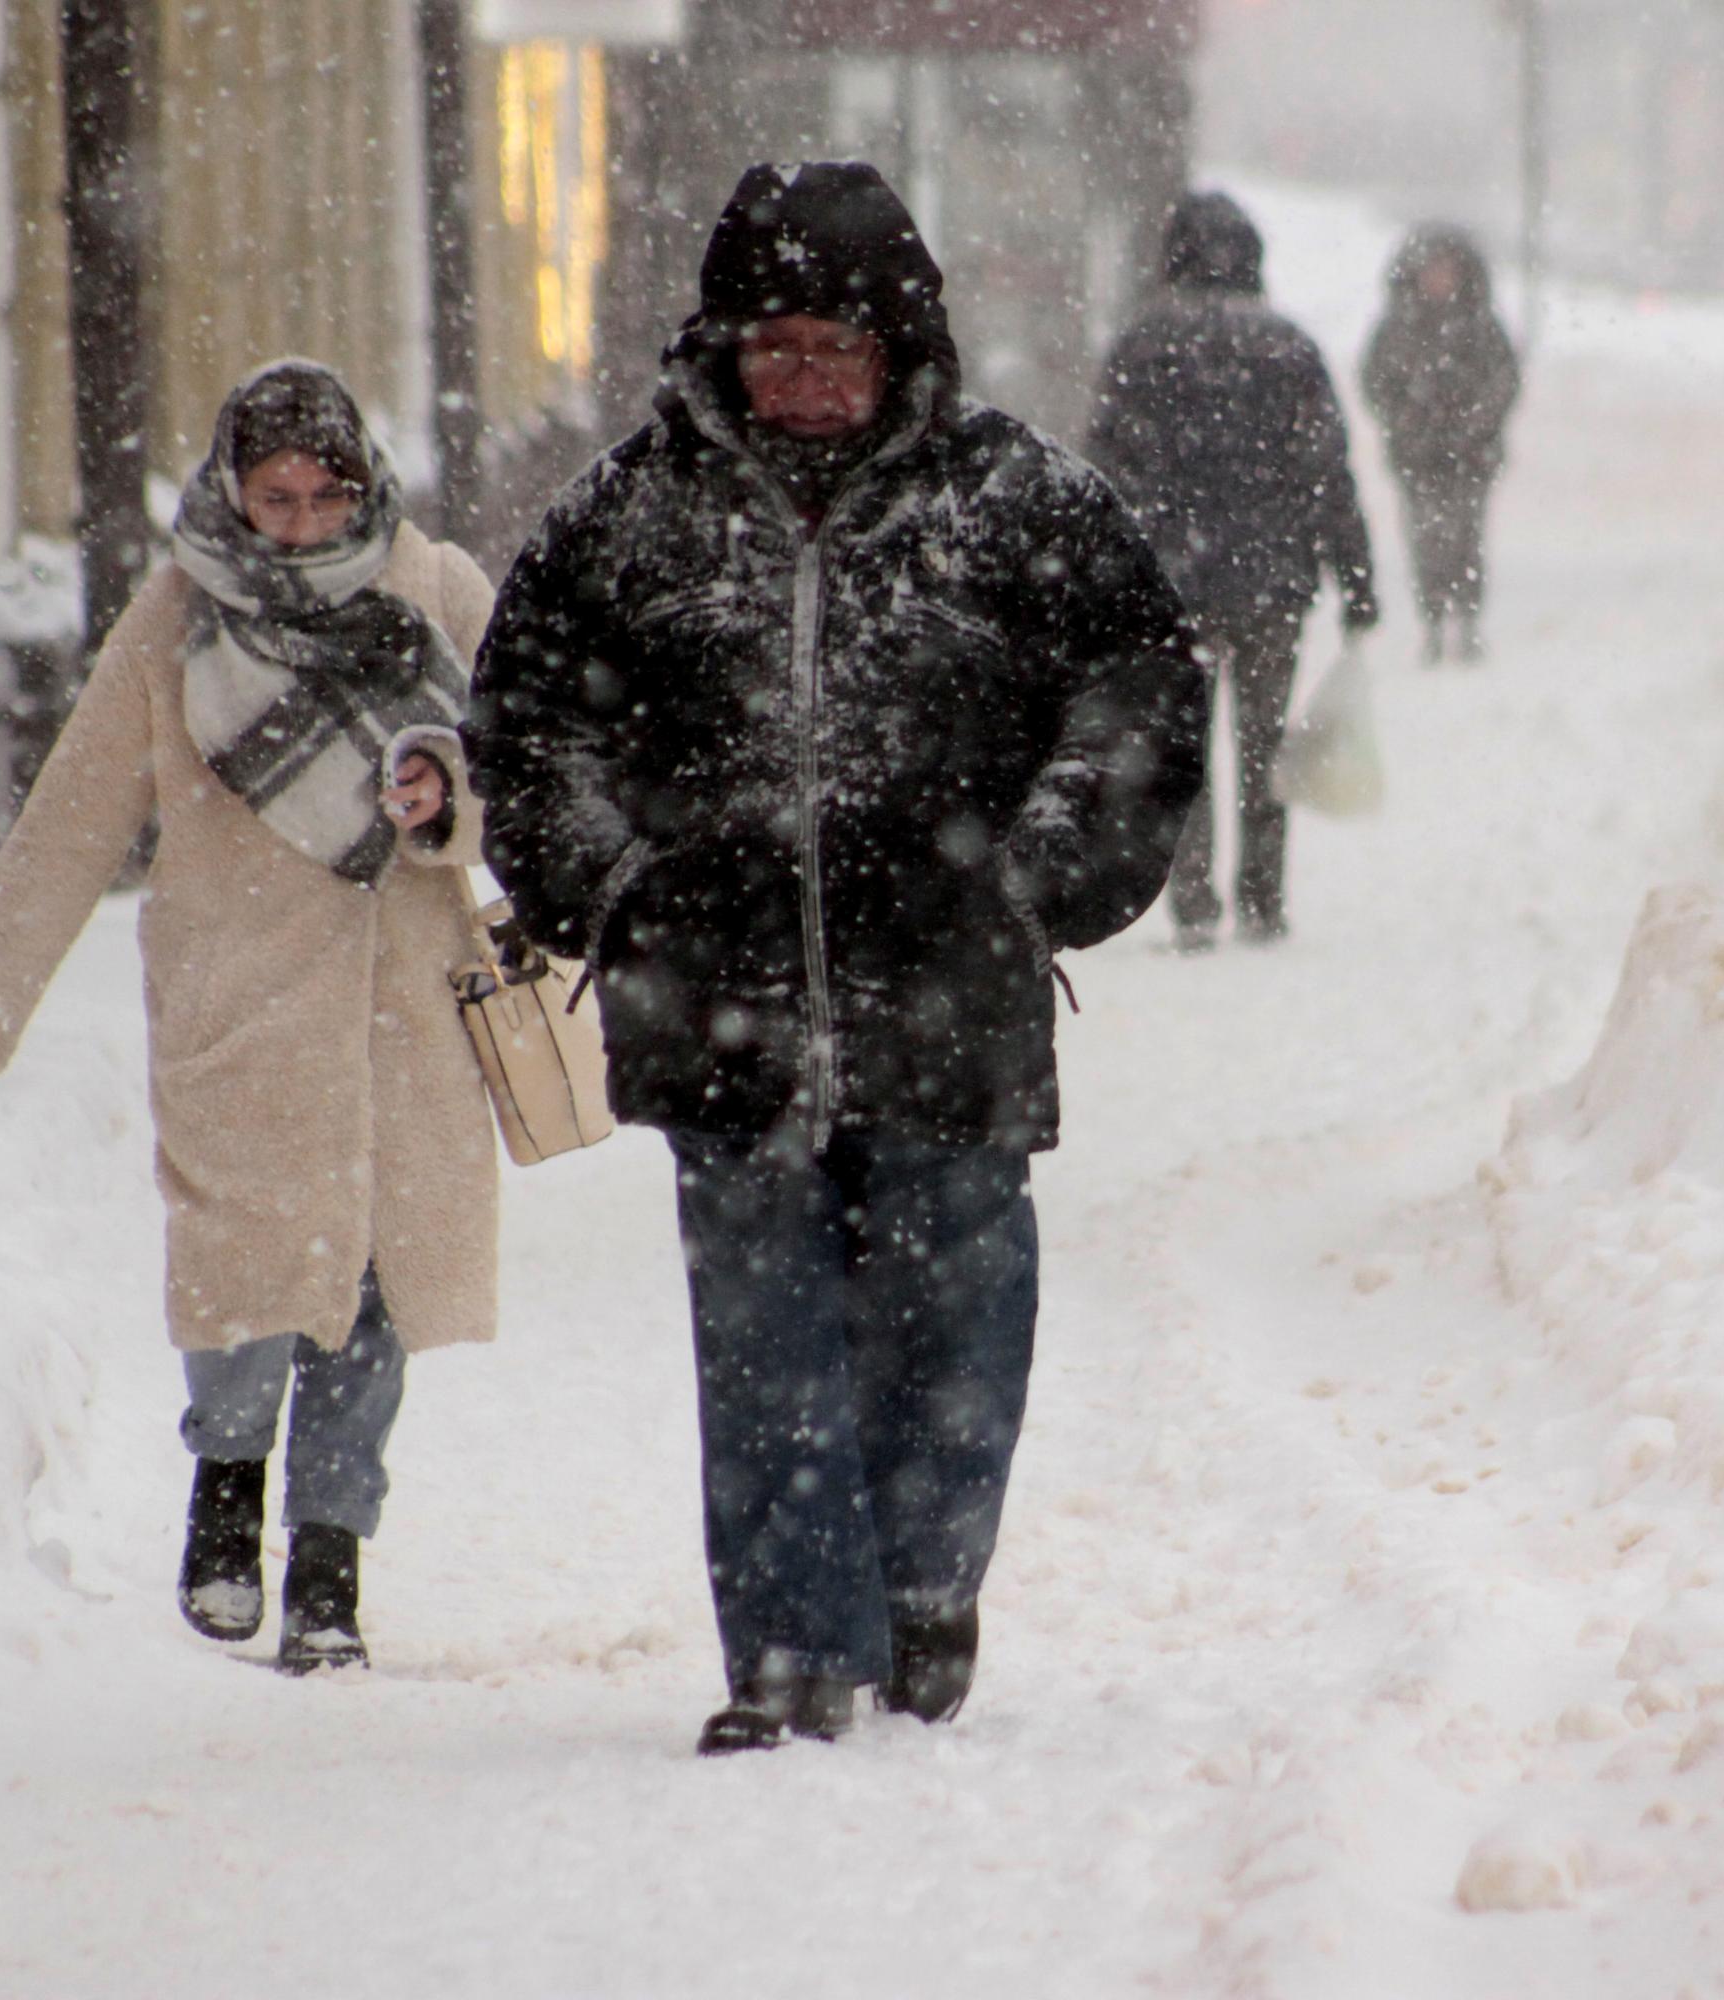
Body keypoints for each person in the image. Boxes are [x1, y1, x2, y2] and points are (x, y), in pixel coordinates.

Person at [466, 162, 1206, 1754]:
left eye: (833, 348)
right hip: (714, 1007)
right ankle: (795, 1645)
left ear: (903, 351)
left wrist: (1041, 872)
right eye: (771, 345)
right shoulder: (630, 516)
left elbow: (1138, 690)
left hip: (949, 1004)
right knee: (766, 1339)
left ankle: (927, 1587)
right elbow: (526, 726)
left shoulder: (1017, 505)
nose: (799, 379)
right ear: (721, 348)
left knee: (952, 1313)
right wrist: (614, 892)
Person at [0, 360, 501, 1674]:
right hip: (239, 995)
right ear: (232, 490)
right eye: (271, 495)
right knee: (242, 1266)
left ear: (361, 485)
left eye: (320, 494)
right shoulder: (176, 613)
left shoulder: (437, 589)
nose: (295, 520)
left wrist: (441, 793)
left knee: (372, 1295)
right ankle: (227, 1494)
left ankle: (332, 1567)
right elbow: (77, 809)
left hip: (402, 1003)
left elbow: (519, 766)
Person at [1087, 188, 1377, 950]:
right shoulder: (1287, 347)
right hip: (1272, 581)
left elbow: (1105, 475)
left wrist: (1095, 579)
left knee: (1184, 751)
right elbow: (1326, 473)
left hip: (1169, 588)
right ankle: (1263, 898)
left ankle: (1193, 905)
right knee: (1264, 742)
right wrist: (1356, 577)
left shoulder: (1141, 345)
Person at [1361, 225, 1520, 666]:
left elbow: (1504, 381)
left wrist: (1473, 424)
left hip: (1471, 456)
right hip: (1418, 457)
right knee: (1425, 537)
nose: (1438, 278)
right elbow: (1376, 382)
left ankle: (1467, 618)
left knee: (1467, 536)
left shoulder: (1480, 326)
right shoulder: (1397, 328)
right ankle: (1431, 619)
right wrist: (1406, 419)